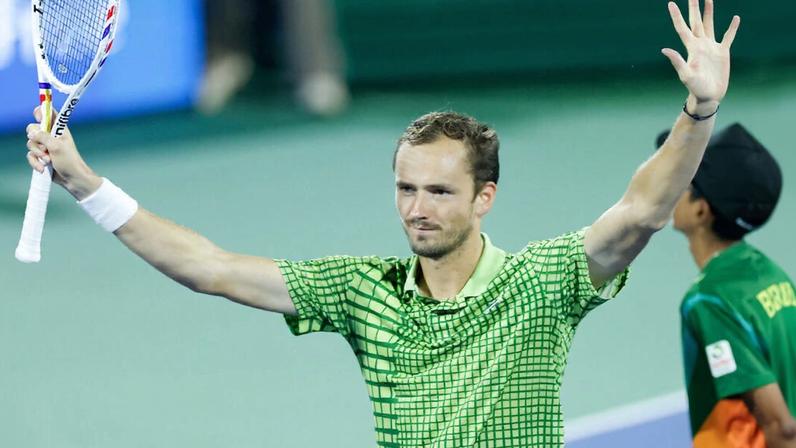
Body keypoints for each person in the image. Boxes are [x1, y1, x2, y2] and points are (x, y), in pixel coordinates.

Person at [22, 1, 740, 446]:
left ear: (485, 197)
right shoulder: (363, 292)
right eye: (405, 188)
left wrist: (699, 111)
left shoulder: (543, 281)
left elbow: (643, 210)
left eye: (438, 191)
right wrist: (86, 184)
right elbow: (210, 269)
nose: (416, 208)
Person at [659, 123, 796, 447]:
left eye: (685, 177)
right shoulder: (771, 274)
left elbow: (782, 428)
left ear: (701, 209)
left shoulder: (708, 301)